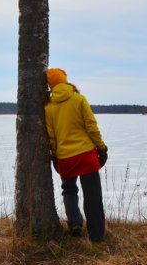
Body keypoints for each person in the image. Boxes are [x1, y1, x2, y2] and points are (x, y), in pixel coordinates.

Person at [44, 68, 108, 242]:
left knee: (69, 190)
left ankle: (75, 225)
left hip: (65, 157)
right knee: (93, 194)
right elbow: (91, 126)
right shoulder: (78, 99)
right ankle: (96, 235)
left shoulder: (49, 107)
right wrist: (101, 148)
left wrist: (55, 157)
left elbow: (52, 137)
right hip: (85, 154)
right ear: (65, 80)